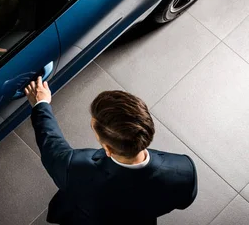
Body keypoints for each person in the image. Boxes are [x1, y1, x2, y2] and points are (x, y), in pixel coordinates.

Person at [24, 77, 197, 225]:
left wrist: (41, 104)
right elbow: (184, 201)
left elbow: (51, 145)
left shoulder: (75, 168)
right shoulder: (183, 168)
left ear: (107, 149)